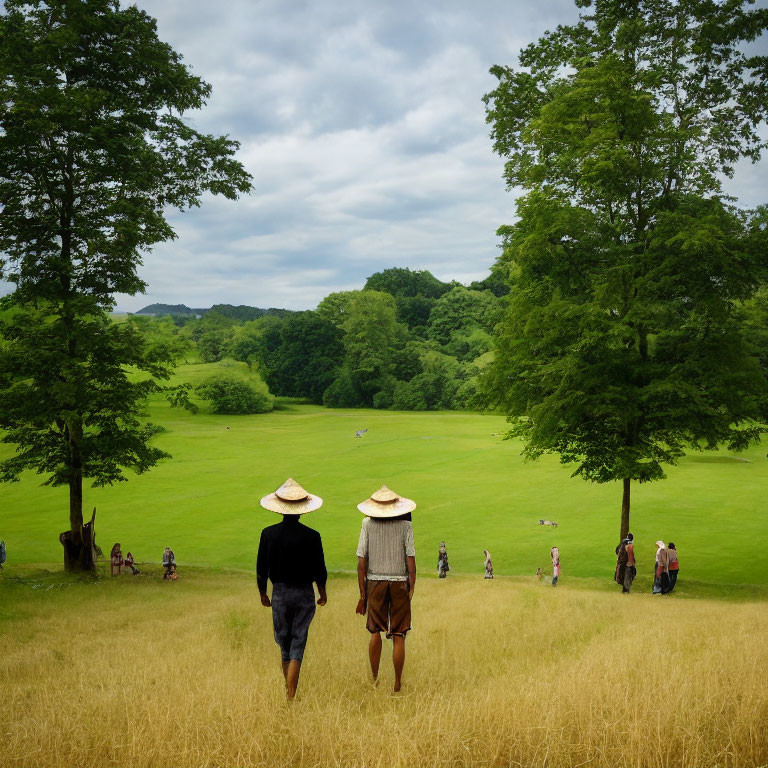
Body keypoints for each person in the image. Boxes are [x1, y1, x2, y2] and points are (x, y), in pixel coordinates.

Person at [257, 478, 327, 700]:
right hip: (304, 593)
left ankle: (288, 694)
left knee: (284, 644)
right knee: (298, 642)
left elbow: (261, 568)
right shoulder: (312, 536)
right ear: (302, 509)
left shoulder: (268, 534)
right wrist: (323, 592)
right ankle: (291, 697)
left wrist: (262, 592)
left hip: (279, 593)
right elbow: (320, 569)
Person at [355, 485, 416, 693]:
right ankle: (397, 683)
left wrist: (363, 593)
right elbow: (411, 563)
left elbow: (361, 561)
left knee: (375, 632)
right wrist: (411, 589)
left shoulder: (366, 524)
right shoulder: (406, 526)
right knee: (399, 634)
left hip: (374, 582)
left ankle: (374, 679)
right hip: (399, 582)